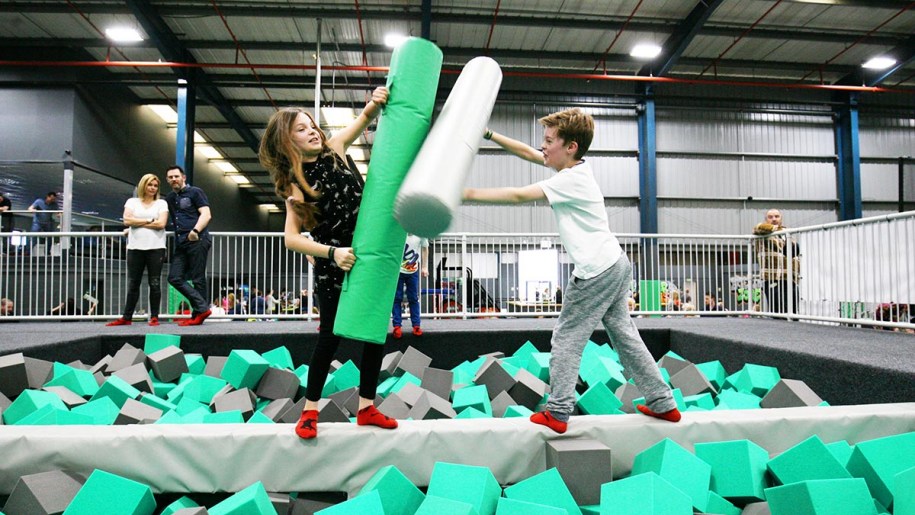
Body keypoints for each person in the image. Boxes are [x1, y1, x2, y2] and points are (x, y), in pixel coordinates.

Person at [463, 108, 680, 434]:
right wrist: (490, 135)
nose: (543, 147)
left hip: (596, 271)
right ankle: (663, 403)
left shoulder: (570, 180)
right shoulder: (576, 168)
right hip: (616, 264)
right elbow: (527, 152)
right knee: (625, 335)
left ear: (571, 147)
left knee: (566, 338)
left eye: (549, 141)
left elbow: (519, 195)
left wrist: (464, 194)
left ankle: (558, 411)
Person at [258, 86, 397, 439]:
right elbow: (291, 238)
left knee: (374, 333)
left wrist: (377, 100)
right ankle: (309, 412)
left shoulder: (335, 149)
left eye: (312, 125)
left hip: (365, 254)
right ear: (288, 143)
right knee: (330, 336)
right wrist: (333, 254)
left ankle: (367, 407)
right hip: (334, 262)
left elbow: (364, 118)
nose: (313, 131)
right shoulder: (296, 183)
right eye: (302, 130)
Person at [107, 174, 168, 327]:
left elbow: (161, 224)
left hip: (156, 248)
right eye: (150, 185)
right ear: (143, 186)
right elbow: (126, 220)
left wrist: (136, 223)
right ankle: (126, 317)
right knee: (134, 283)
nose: (153, 188)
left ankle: (154, 317)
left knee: (154, 283)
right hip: (135, 248)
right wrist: (149, 220)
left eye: (155, 186)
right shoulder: (132, 202)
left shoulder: (161, 203)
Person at [165, 165, 213, 326]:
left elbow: (206, 214)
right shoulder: (170, 198)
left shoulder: (195, 192)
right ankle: (202, 307)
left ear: (183, 177)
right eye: (170, 177)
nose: (174, 179)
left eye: (176, 176)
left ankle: (197, 315)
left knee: (198, 278)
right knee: (174, 277)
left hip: (197, 239)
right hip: (181, 243)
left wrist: (195, 230)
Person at [753, 209, 800, 315]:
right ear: (766, 219)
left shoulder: (787, 233)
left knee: (793, 312)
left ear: (781, 218)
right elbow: (758, 227)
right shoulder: (762, 232)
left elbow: (793, 253)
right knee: (777, 313)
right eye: (770, 217)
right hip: (772, 278)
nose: (774, 219)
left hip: (789, 278)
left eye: (777, 216)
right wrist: (777, 229)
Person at [392, 234, 428, 338]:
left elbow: (425, 248)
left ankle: (416, 325)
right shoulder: (398, 230)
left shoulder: (421, 231)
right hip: (398, 270)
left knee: (413, 298)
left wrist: (425, 267)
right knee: (397, 297)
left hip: (413, 271)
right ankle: (397, 326)